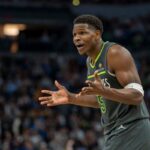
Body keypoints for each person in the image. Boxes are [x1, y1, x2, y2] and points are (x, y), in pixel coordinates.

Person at [38, 15, 150, 150]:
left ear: (97, 34)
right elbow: (101, 100)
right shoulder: (90, 61)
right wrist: (71, 98)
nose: (76, 38)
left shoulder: (115, 52)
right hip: (114, 131)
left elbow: (137, 95)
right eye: (74, 35)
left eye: (82, 33)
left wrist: (105, 91)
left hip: (132, 128)